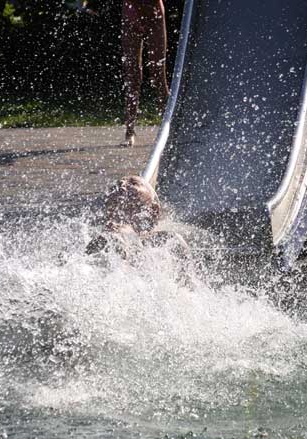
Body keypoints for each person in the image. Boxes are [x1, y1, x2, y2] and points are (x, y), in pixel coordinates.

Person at [86, 175, 190, 263]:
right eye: (118, 185)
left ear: (154, 211)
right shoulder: (107, 238)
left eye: (133, 182)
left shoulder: (168, 240)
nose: (122, 185)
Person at [121, 0, 170, 147]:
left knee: (158, 75)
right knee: (132, 75)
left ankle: (168, 127)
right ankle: (129, 131)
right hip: (131, 15)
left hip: (154, 15)